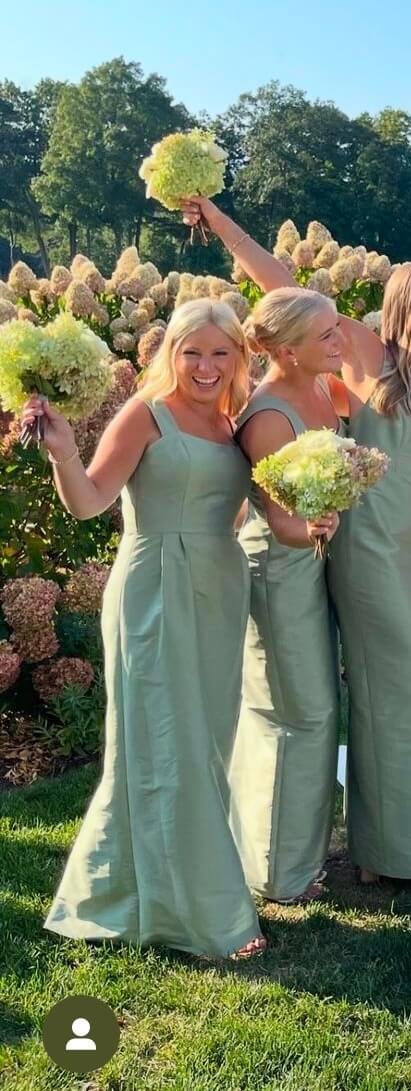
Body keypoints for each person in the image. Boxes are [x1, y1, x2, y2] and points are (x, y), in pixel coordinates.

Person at [184, 197, 411, 884]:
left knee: (391, 696)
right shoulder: (369, 357)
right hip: (365, 550)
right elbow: (284, 285)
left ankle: (382, 852)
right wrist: (218, 221)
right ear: (402, 304)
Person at [30, 299, 266, 959]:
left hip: (219, 586)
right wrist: (64, 451)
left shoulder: (233, 426)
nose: (206, 365)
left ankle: (135, 893)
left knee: (204, 744)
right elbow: (88, 500)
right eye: (193, 351)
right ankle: (210, 916)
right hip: (155, 587)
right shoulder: (147, 413)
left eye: (221, 352)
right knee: (172, 740)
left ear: (238, 359)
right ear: (172, 353)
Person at [229, 287, 352, 904]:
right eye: (327, 335)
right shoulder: (271, 416)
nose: (340, 341)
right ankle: (280, 871)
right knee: (296, 715)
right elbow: (278, 519)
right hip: (280, 569)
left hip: (314, 562)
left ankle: (292, 855)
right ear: (287, 350)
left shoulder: (323, 389)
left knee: (312, 714)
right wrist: (310, 531)